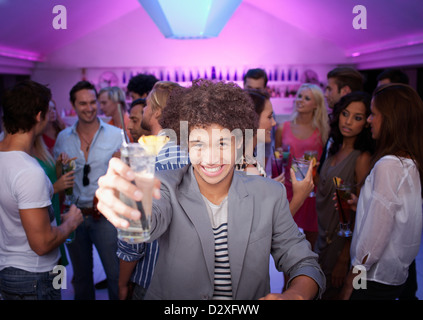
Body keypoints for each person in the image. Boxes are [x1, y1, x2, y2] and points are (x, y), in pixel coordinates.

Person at [96, 80, 325, 300]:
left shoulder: (269, 195)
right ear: (185, 144)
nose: (211, 157)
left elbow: (303, 261)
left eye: (222, 143)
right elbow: (149, 219)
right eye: (198, 144)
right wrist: (127, 206)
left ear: (239, 142)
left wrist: (296, 294)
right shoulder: (166, 185)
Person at [0, 80, 82, 300]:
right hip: (34, 276)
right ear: (39, 116)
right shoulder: (28, 171)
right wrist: (70, 223)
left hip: (9, 270)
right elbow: (42, 243)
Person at [340, 84, 423, 300]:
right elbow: (398, 215)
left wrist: (353, 275)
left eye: (374, 114)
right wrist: (363, 204)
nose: (369, 120)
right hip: (394, 274)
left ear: (391, 120)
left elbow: (376, 234)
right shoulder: (410, 162)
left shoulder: (388, 165)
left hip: (371, 277)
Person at [117, 81, 188, 300]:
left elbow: (134, 237)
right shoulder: (196, 157)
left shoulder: (143, 161)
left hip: (151, 282)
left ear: (157, 111)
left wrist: (121, 282)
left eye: (147, 106)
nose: (144, 110)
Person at [53, 80, 122, 300]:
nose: (90, 108)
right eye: (83, 103)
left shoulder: (116, 135)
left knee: (115, 274)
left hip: (106, 216)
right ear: (73, 105)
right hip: (74, 216)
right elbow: (58, 177)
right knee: (81, 278)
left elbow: (129, 176)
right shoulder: (63, 138)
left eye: (93, 102)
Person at [314, 92, 374, 299]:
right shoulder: (334, 148)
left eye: (357, 118)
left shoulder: (362, 158)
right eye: (345, 114)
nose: (347, 122)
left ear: (366, 123)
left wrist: (343, 260)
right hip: (323, 236)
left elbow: (362, 213)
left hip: (341, 243)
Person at [242, 88, 314, 216]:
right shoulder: (245, 164)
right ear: (252, 120)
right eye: (269, 117)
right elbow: (267, 228)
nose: (274, 123)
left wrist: (266, 185)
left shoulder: (246, 155)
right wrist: (299, 197)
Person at [275, 83, 329, 250]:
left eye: (306, 98)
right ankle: (288, 277)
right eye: (299, 96)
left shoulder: (322, 130)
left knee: (310, 244)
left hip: (312, 190)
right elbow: (278, 159)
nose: (300, 100)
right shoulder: (283, 128)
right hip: (288, 189)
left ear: (316, 105)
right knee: (286, 243)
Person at [319, 67, 364, 174]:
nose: (326, 94)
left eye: (330, 89)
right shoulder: (337, 123)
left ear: (345, 91)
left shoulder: (349, 131)